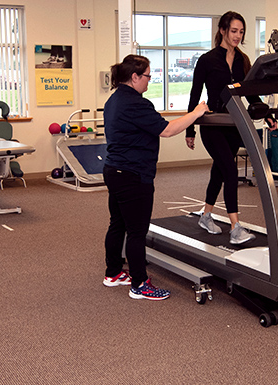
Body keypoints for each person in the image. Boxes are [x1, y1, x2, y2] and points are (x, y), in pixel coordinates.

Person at [102, 54, 210, 301]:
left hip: (115, 170)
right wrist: (196, 113)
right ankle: (139, 284)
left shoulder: (114, 100)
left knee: (117, 223)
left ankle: (113, 273)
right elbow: (167, 130)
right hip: (132, 174)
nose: (149, 81)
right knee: (137, 231)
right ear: (135, 77)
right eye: (148, 76)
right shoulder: (136, 103)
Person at [184, 11, 257, 245]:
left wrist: (266, 112)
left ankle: (206, 215)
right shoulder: (207, 60)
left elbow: (250, 92)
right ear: (222, 30)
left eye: (241, 32)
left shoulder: (243, 60)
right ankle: (235, 226)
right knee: (230, 171)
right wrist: (189, 129)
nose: (238, 36)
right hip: (213, 124)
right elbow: (195, 94)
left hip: (233, 125)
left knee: (220, 170)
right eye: (234, 31)